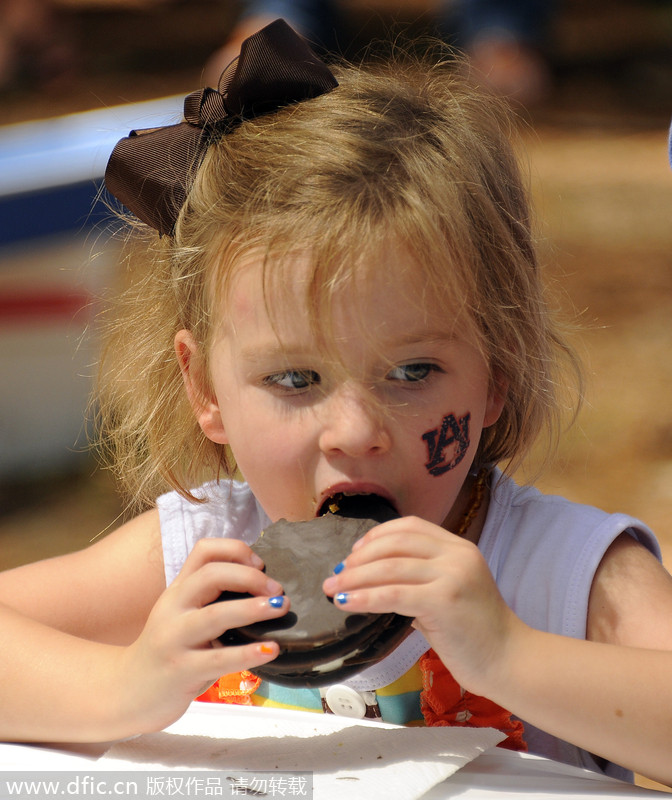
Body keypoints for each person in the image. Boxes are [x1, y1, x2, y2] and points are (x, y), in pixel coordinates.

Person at [0, 19, 672, 787]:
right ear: (205, 390)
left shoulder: (563, 575)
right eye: (295, 381)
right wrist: (121, 686)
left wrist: (515, 655)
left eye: (414, 371)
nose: (354, 433)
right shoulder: (210, 556)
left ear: (500, 370)